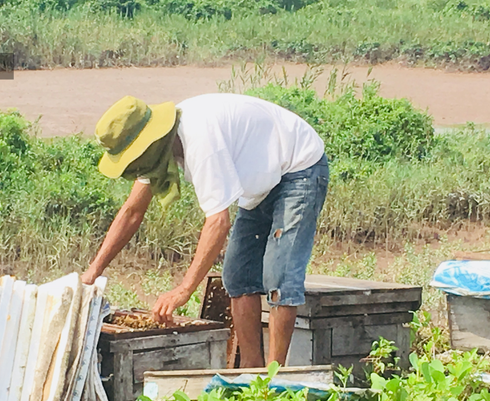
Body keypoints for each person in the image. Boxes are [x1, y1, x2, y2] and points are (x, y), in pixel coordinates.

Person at [81, 93, 328, 367]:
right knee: (237, 276)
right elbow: (131, 212)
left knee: (279, 275)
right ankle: (251, 371)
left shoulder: (200, 139)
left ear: (149, 143)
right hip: (262, 181)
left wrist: (184, 290)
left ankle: (276, 376)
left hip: (299, 167)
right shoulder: (156, 152)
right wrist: (92, 272)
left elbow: (218, 222)